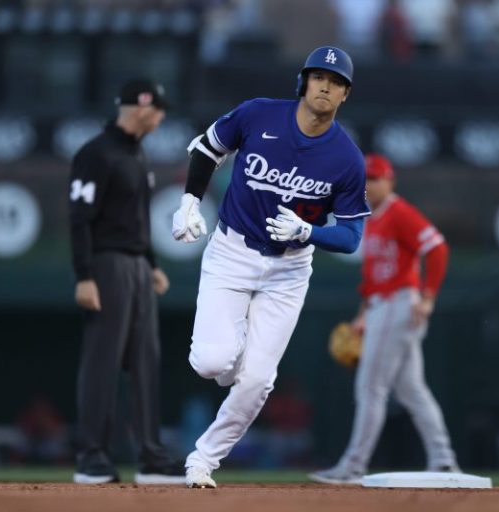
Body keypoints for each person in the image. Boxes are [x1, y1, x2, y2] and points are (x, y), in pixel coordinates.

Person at [171, 46, 370, 488]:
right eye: (319, 77)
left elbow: (352, 236)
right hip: (232, 252)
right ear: (303, 82)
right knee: (211, 363)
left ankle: (203, 460)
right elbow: (207, 148)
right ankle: (234, 350)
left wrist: (308, 231)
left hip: (289, 270)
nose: (325, 87)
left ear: (345, 95)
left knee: (258, 380)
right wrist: (189, 203)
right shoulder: (259, 114)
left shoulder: (347, 158)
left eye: (336, 82)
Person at [309, 154, 459, 485]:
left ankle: (353, 465)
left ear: (390, 181)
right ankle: (443, 459)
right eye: (364, 179)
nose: (368, 185)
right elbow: (373, 275)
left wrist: (429, 296)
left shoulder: (398, 211)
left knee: (370, 387)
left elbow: (437, 247)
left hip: (398, 303)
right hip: (381, 305)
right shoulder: (371, 218)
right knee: (412, 391)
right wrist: (363, 315)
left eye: (375, 179)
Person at [69, 78, 185, 485]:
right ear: (143, 108)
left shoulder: (137, 154)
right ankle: (91, 456)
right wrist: (84, 276)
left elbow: (137, 220)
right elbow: (79, 219)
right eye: (160, 110)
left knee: (145, 361)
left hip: (136, 266)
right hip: (106, 265)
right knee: (102, 360)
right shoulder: (96, 153)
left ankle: (151, 456)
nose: (162, 117)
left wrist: (151, 263)